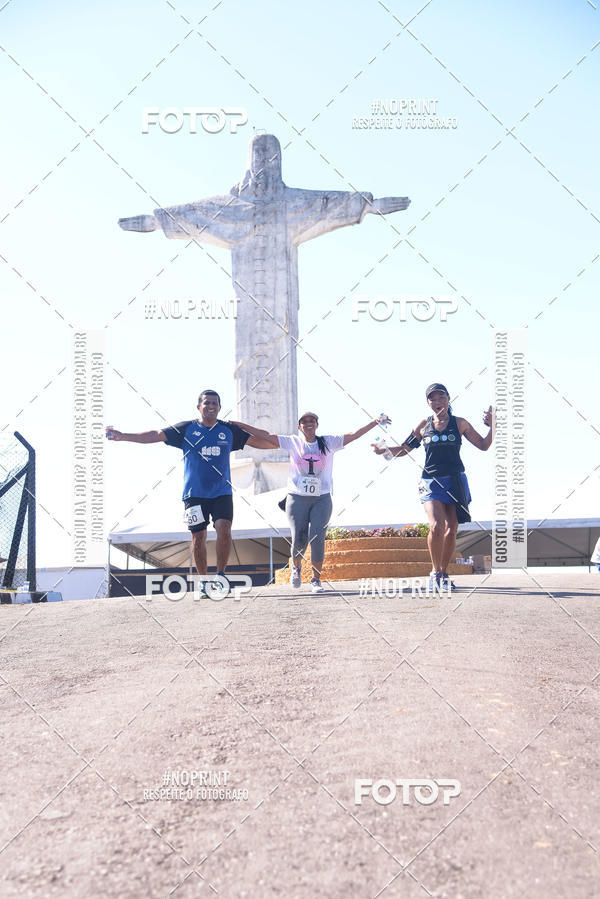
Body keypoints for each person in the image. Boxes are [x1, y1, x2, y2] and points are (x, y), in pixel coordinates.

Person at [105, 389, 270, 594]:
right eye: (206, 403)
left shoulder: (228, 430)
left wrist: (284, 443)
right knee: (198, 537)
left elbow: (262, 441)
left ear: (219, 408)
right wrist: (123, 436)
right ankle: (203, 582)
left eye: (214, 404)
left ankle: (220, 576)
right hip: (194, 494)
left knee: (224, 529)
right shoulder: (186, 429)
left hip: (221, 492)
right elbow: (155, 435)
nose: (210, 407)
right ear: (199, 407)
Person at [231, 412, 388, 593]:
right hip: (297, 497)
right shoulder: (293, 442)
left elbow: (354, 435)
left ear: (317, 425)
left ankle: (316, 579)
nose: (308, 424)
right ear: (299, 427)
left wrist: (375, 422)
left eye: (312, 421)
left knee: (317, 538)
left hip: (322, 498)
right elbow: (265, 435)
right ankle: (296, 567)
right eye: (304, 422)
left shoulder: (329, 442)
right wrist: (239, 424)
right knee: (299, 537)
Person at [373, 383, 493, 590]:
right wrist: (384, 451)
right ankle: (435, 572)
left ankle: (444, 573)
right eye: (433, 399)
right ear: (428, 403)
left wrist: (494, 426)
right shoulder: (423, 425)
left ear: (448, 399)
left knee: (451, 528)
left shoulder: (460, 423)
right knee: (436, 525)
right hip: (430, 480)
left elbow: (483, 445)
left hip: (455, 479)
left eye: (441, 398)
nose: (437, 402)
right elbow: (404, 449)